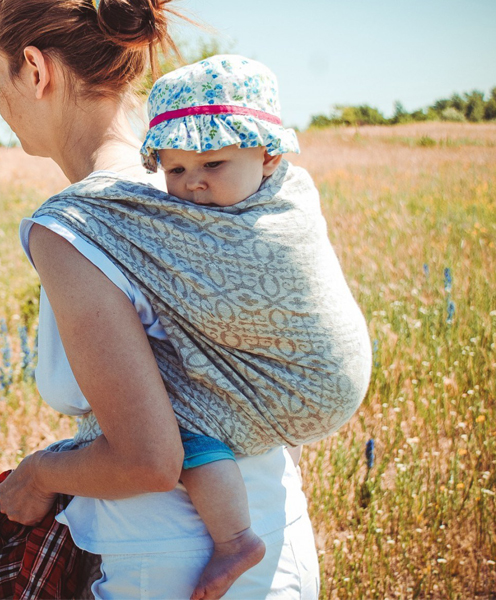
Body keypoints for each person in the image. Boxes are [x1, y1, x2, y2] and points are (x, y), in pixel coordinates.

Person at [0, 0, 351, 598]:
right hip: (280, 536)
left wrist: (38, 474)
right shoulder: (217, 183)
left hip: (173, 568)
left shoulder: (78, 224)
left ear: (33, 68)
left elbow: (148, 460)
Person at [130, 54, 371, 599]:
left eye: (212, 165)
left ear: (267, 156)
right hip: (321, 379)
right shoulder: (285, 192)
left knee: (179, 413)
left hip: (307, 380)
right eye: (175, 170)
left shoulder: (274, 221)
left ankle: (235, 537)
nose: (192, 185)